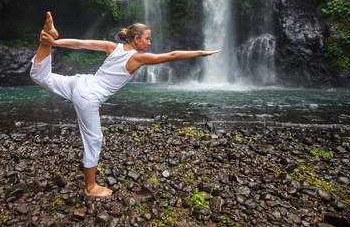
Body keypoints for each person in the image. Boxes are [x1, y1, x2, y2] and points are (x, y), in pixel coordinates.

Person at [30, 12, 221, 197]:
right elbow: (171, 56)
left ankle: (45, 40)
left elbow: (81, 44)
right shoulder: (137, 58)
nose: (150, 42)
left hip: (79, 82)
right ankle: (90, 187)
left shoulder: (112, 47)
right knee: (94, 140)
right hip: (88, 95)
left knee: (40, 76)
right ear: (136, 39)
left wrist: (55, 42)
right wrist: (200, 53)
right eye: (147, 38)